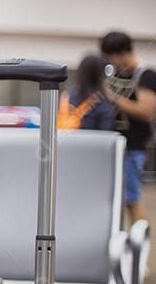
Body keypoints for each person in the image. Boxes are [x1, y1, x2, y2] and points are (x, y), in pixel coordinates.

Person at [100, 31, 156, 223]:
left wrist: (113, 97)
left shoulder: (145, 75)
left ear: (120, 53)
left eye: (111, 57)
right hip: (115, 146)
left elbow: (146, 111)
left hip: (132, 148)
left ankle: (140, 247)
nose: (111, 62)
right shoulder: (116, 74)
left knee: (132, 199)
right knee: (117, 200)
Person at [64, 55, 116, 131]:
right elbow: (106, 127)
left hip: (70, 139)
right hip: (98, 140)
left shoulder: (70, 95)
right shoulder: (101, 98)